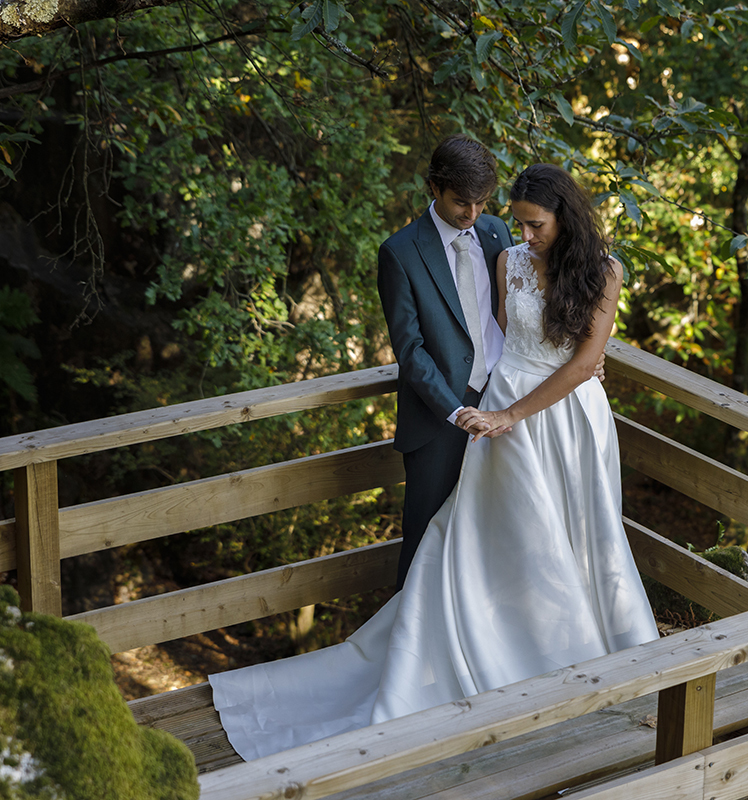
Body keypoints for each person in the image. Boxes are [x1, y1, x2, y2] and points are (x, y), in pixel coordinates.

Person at [208, 163, 659, 761]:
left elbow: (580, 361)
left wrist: (536, 395)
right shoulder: (507, 259)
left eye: (536, 225)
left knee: (580, 532)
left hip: (568, 417)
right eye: (520, 224)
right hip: (505, 409)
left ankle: (584, 652)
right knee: (501, 533)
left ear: (565, 217)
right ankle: (501, 653)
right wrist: (498, 408)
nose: (524, 235)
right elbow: (498, 336)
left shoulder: (605, 271)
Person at [376, 134, 512, 591]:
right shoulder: (400, 252)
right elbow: (409, 349)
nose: (472, 213)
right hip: (438, 421)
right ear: (434, 187)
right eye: (461, 202)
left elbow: (520, 312)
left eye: (482, 202)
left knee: (493, 535)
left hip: (502, 406)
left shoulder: (496, 232)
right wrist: (455, 411)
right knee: (423, 543)